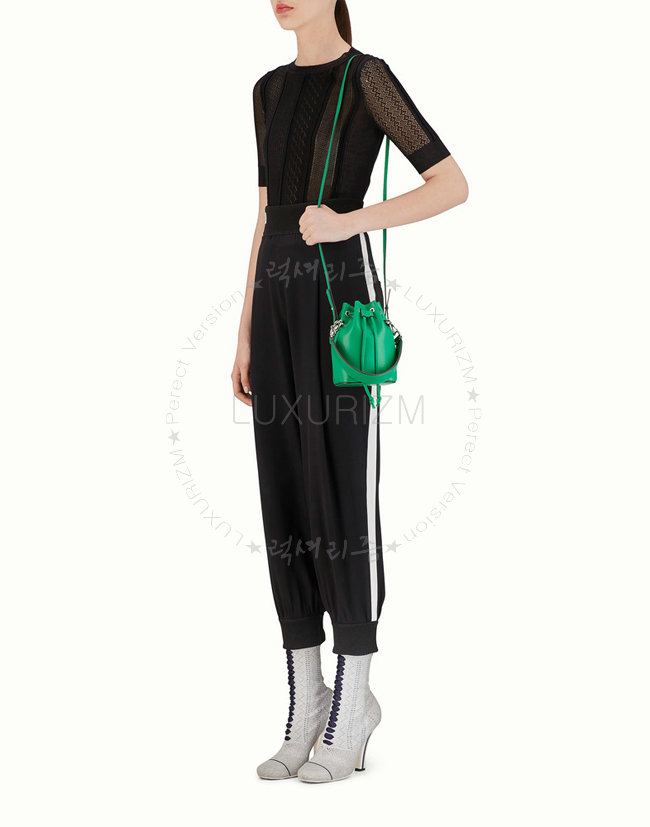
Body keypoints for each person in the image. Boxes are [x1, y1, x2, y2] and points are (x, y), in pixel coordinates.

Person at [231, 0, 468, 783]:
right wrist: (244, 333)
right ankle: (308, 702)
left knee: (339, 488)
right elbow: (264, 216)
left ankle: (355, 697)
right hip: (274, 302)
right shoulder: (266, 89)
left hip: (342, 304)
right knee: (284, 493)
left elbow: (451, 184)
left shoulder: (369, 80)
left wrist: (349, 221)